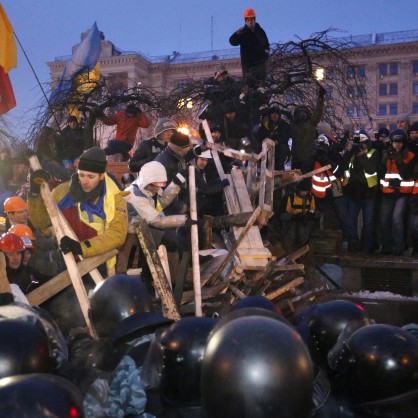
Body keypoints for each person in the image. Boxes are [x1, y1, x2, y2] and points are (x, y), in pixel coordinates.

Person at [28, 146, 128, 275]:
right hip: (66, 261)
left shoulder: (114, 199)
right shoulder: (63, 191)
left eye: (91, 177)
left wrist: (82, 247)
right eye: (81, 175)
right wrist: (35, 193)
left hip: (98, 262)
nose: (85, 181)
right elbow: (42, 222)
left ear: (102, 176)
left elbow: (117, 234)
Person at [121, 161, 195, 284]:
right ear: (146, 182)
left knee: (169, 240)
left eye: (159, 186)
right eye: (155, 186)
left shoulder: (149, 187)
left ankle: (173, 278)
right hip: (131, 232)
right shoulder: (135, 196)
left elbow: (162, 202)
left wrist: (176, 183)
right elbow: (158, 221)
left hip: (144, 225)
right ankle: (167, 281)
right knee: (168, 240)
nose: (157, 189)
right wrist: (184, 220)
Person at [342, 129, 380, 253]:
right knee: (350, 221)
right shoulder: (352, 153)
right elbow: (344, 165)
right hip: (353, 192)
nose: (359, 146)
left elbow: (371, 169)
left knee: (368, 222)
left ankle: (366, 248)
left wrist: (362, 156)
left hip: (368, 192)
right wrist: (349, 152)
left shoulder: (373, 152)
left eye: (362, 143)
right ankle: (353, 245)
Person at [379, 129, 416, 255]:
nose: (397, 145)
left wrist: (399, 160)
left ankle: (399, 248)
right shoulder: (387, 154)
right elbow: (380, 173)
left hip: (403, 193)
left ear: (403, 142)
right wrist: (383, 161)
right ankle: (386, 247)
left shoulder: (409, 155)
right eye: (395, 142)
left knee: (397, 219)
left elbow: (406, 175)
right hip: (387, 192)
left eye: (400, 142)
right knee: (384, 220)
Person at [229, 8, 270, 84]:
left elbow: (266, 44)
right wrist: (236, 34)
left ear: (254, 20)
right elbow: (232, 42)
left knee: (261, 85)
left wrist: (266, 54)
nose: (250, 22)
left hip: (260, 64)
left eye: (251, 19)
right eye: (248, 20)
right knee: (251, 85)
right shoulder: (242, 32)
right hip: (248, 66)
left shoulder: (260, 31)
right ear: (246, 21)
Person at [290, 86, 326, 169]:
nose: (301, 114)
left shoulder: (311, 123)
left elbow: (318, 112)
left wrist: (320, 98)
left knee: (306, 180)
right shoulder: (293, 126)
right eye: (299, 112)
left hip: (308, 158)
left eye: (304, 112)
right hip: (295, 159)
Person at [194, 150, 229, 217]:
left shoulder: (201, 171)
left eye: (206, 160)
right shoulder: (193, 172)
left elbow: (205, 185)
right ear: (196, 158)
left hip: (199, 201)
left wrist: (217, 182)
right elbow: (207, 189)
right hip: (195, 204)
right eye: (202, 159)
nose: (204, 163)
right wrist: (221, 185)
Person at [256, 104, 291, 168]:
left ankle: (278, 171)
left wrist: (277, 141)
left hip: (278, 147)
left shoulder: (284, 125)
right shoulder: (264, 125)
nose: (275, 116)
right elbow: (259, 136)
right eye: (273, 114)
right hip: (265, 147)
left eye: (277, 114)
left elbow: (285, 136)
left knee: (282, 149)